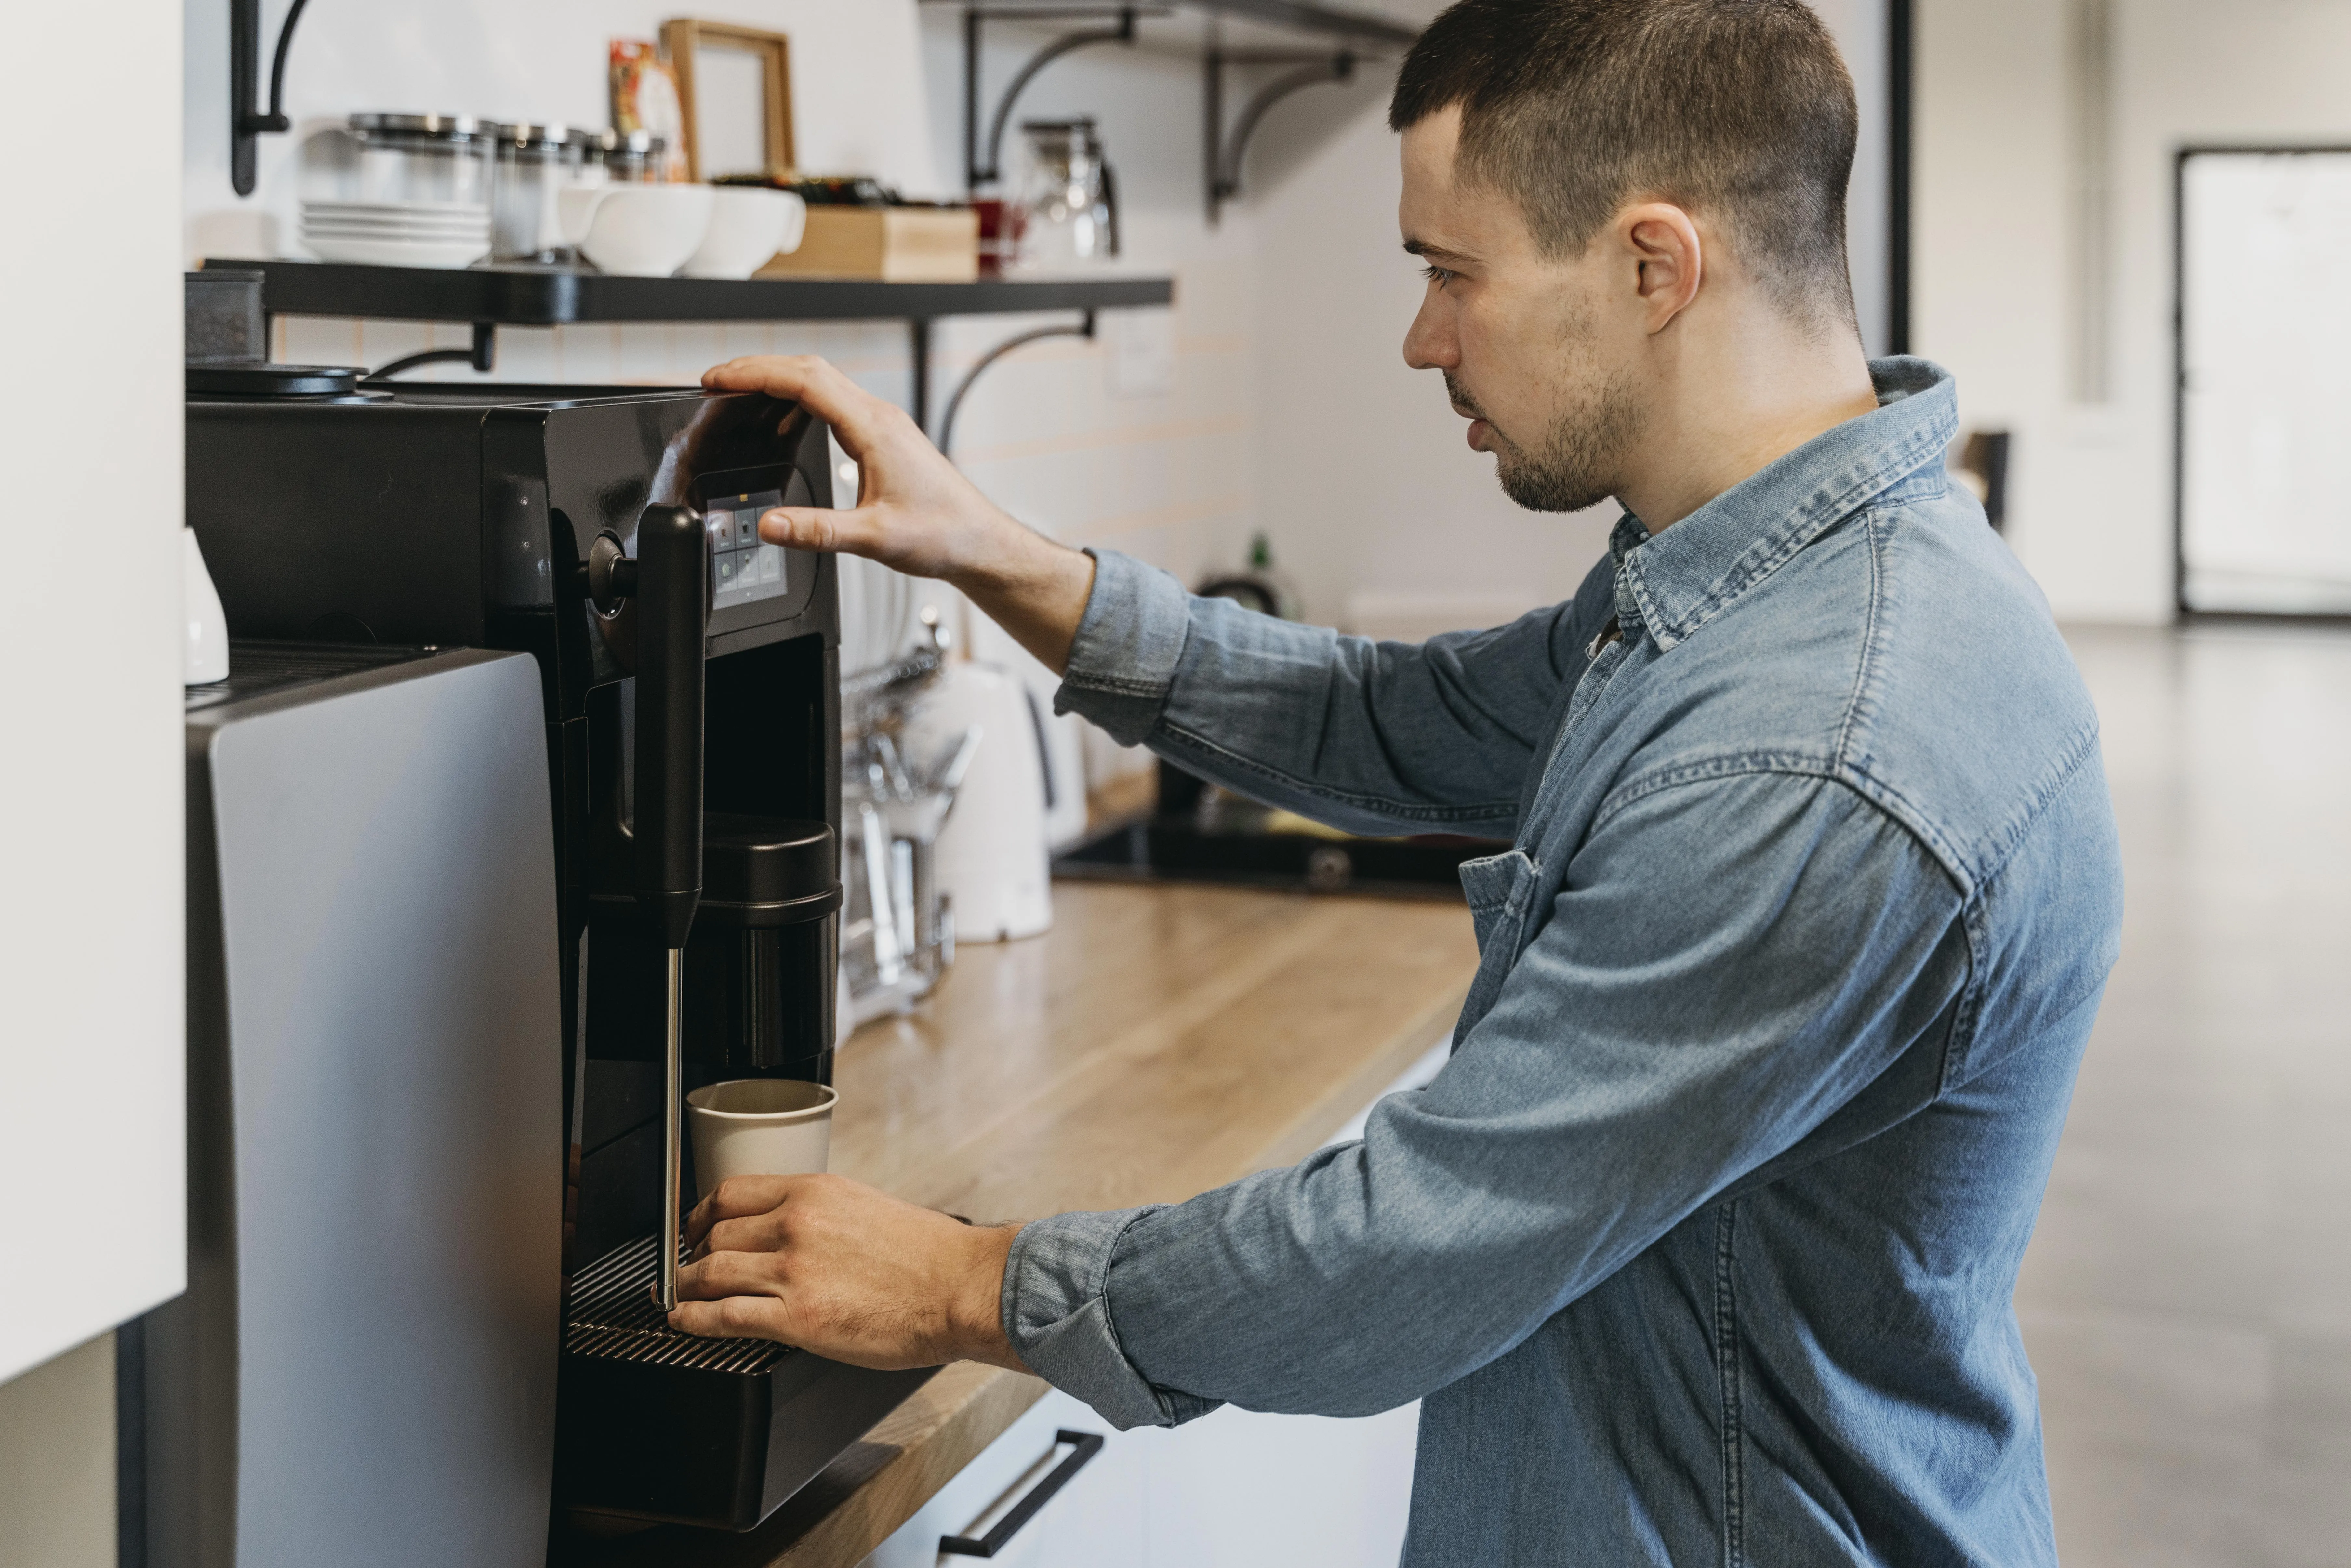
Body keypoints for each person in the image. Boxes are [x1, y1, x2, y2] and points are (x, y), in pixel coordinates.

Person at [666, 0, 2123, 1560]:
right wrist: (1002, 557)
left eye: (1452, 272)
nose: (1423, 338)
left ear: (1653, 266)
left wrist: (959, 1281)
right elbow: (1401, 723)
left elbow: (1399, 1259)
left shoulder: (1818, 749)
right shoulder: (1768, 586)